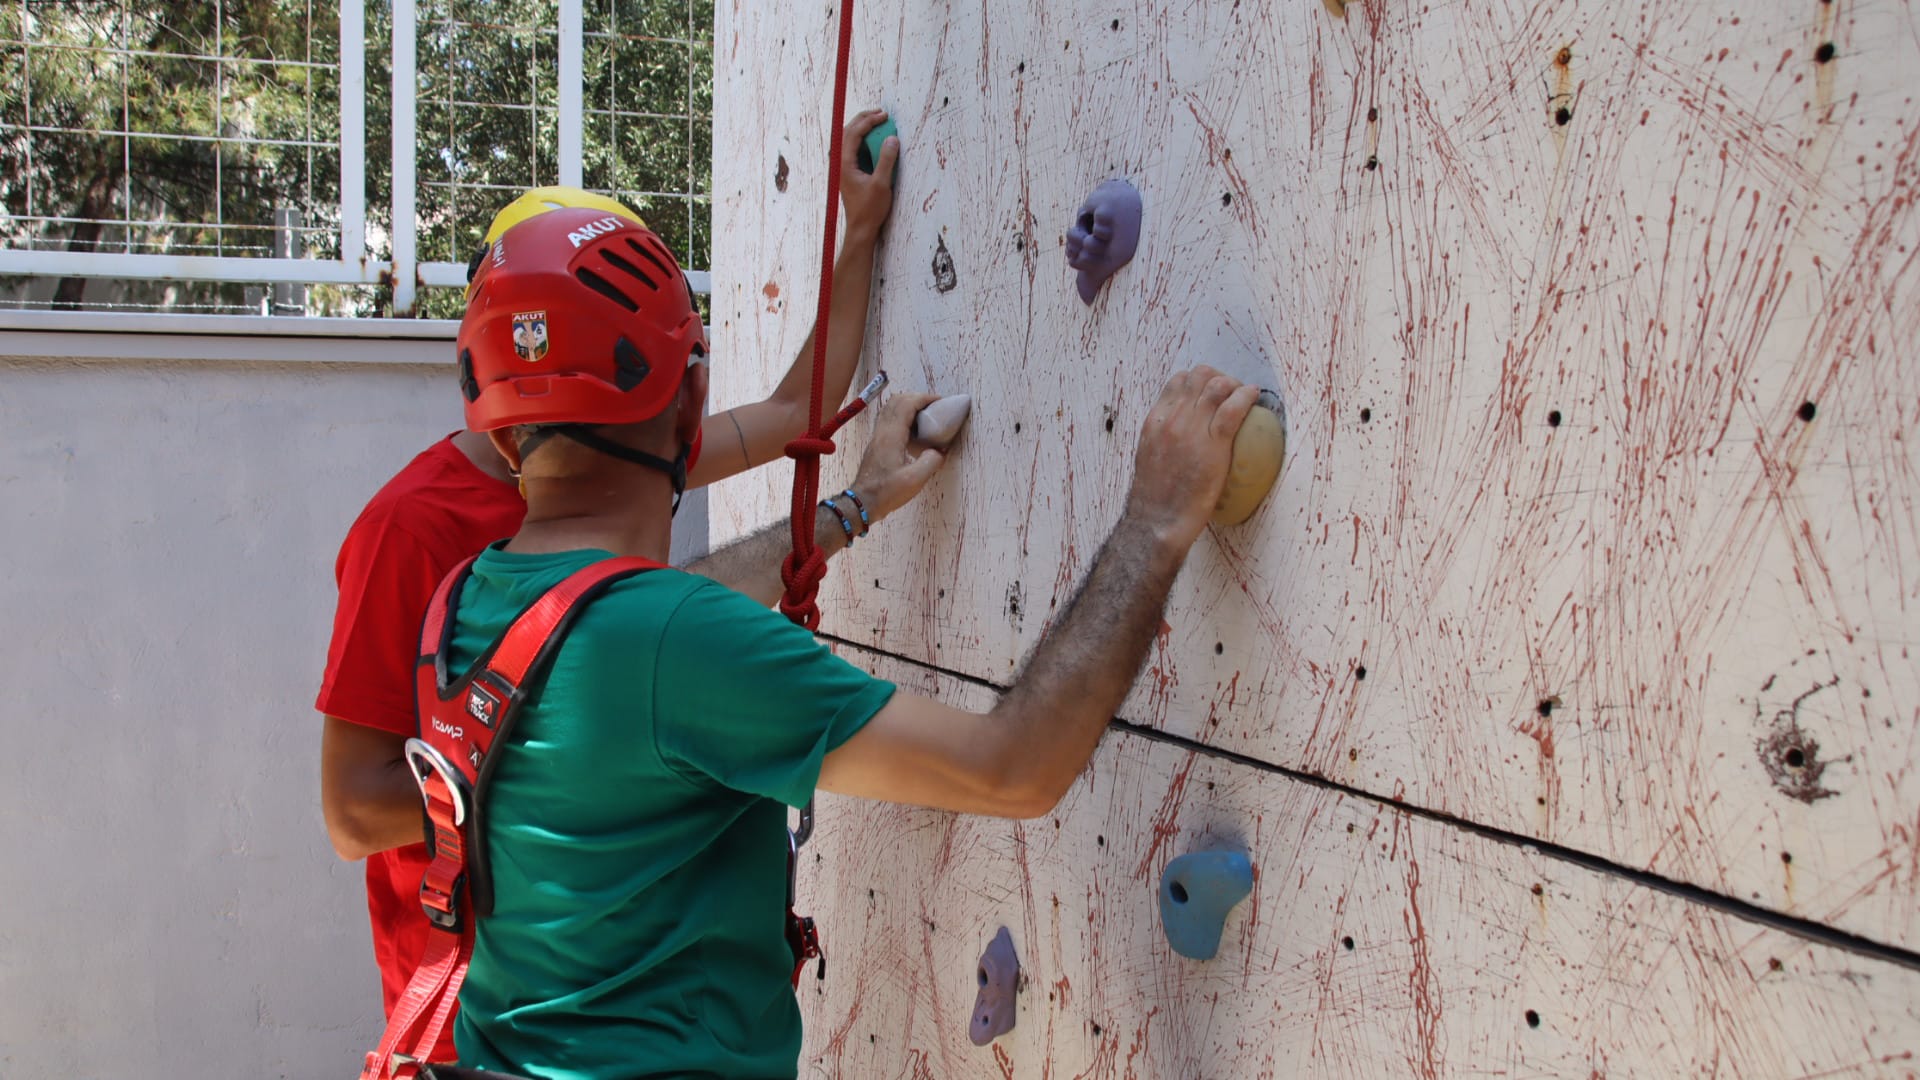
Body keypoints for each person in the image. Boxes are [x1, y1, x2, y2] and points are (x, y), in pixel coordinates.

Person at [435, 205, 1257, 1077]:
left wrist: (849, 510)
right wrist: (1156, 521)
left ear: (499, 427)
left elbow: (636, 630)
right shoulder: (668, 644)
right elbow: (1013, 768)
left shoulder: (465, 605)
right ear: (690, 405)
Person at [316, 111, 902, 1062]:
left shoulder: (607, 446)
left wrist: (859, 232)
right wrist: (566, 766)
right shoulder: (411, 527)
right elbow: (353, 810)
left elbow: (794, 411)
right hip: (481, 1006)